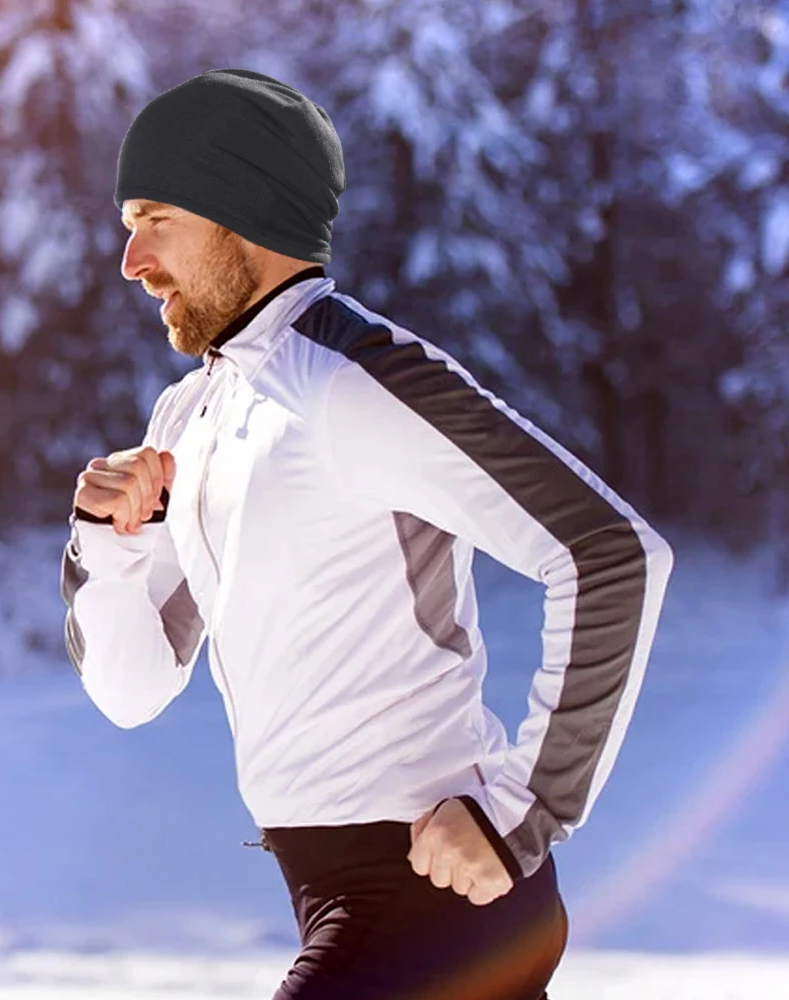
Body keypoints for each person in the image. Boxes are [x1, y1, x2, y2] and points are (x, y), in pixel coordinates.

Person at [59, 68, 674, 1000]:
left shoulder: (356, 381)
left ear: (241, 210)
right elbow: (131, 689)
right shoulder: (192, 415)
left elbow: (611, 554)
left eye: (157, 219)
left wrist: (522, 814)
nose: (131, 261)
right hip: (345, 894)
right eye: (127, 224)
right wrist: (107, 544)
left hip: (435, 894)